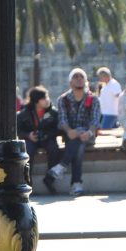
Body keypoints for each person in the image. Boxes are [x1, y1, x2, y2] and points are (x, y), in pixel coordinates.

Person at [45, 68, 101, 197]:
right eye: (75, 77)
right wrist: (69, 131)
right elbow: (62, 119)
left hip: (89, 135)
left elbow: (95, 120)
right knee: (78, 147)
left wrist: (88, 132)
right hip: (70, 135)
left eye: (81, 77)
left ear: (85, 81)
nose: (79, 79)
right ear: (70, 82)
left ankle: (61, 167)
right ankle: (76, 184)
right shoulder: (63, 99)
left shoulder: (93, 99)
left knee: (80, 138)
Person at [16, 86, 61, 192]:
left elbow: (58, 129)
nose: (47, 100)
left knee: (54, 149)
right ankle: (27, 181)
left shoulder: (53, 113)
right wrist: (28, 135)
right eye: (44, 98)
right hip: (31, 140)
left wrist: (47, 135)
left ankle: (50, 178)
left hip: (48, 139)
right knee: (27, 151)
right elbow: (18, 130)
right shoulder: (24, 113)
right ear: (37, 101)